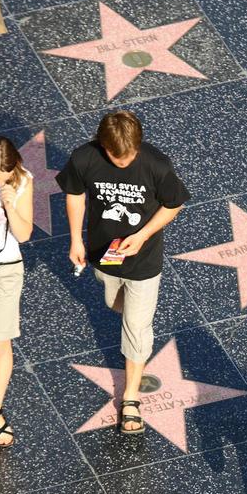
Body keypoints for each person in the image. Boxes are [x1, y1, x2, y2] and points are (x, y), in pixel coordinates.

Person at [56, 110, 190, 434]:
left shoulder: (156, 164)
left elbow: (174, 203)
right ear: (104, 146)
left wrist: (142, 236)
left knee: (136, 327)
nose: (124, 161)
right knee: (113, 304)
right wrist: (75, 239)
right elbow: (74, 195)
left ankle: (131, 399)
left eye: (129, 155)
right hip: (105, 257)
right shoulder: (84, 158)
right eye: (117, 156)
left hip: (144, 262)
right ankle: (132, 323)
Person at [0, 135, 33, 447]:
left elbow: (24, 234)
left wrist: (10, 204)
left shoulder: (23, 180)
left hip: (6, 269)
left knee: (0, 344)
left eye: (3, 175)